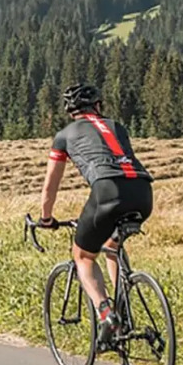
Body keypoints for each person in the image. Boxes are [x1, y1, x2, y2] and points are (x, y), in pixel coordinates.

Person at [37, 82, 154, 346]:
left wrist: (46, 218)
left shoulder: (64, 135)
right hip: (144, 191)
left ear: (70, 112)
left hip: (106, 192)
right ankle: (125, 310)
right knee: (112, 245)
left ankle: (107, 315)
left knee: (83, 255)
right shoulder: (117, 127)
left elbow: (50, 186)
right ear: (98, 106)